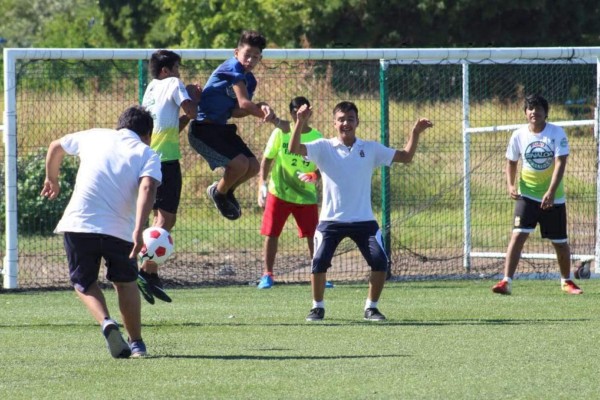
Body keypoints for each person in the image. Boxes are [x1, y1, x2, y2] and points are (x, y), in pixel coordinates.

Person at [288, 102, 433, 321]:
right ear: (334, 122)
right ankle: (317, 307)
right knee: (318, 261)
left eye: (350, 119)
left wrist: (415, 133)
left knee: (380, 261)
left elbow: (405, 157)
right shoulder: (323, 146)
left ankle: (371, 308)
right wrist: (300, 121)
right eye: (341, 119)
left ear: (357, 122)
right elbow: (294, 149)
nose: (346, 123)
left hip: (364, 221)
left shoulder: (371, 148)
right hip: (331, 221)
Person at [41, 106, 162, 358]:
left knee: (84, 282)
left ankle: (106, 322)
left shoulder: (94, 135)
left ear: (120, 125)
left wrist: (52, 178)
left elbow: (55, 146)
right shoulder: (146, 152)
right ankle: (137, 344)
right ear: (148, 134)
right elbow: (148, 187)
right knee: (125, 283)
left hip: (78, 224)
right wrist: (139, 228)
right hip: (120, 230)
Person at [492, 94, 583, 295]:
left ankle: (566, 281)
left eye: (538, 108)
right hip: (527, 196)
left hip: (553, 197)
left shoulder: (556, 133)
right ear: (526, 113)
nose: (534, 112)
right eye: (530, 108)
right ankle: (506, 281)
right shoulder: (518, 135)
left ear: (545, 112)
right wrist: (510, 184)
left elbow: (561, 162)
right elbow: (511, 161)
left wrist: (551, 191)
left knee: (559, 243)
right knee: (517, 236)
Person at [188, 30, 276, 221]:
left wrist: (261, 106)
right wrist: (273, 118)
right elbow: (245, 104)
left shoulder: (250, 80)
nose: (250, 60)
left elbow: (238, 111)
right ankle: (218, 193)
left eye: (256, 57)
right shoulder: (232, 67)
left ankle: (224, 190)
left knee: (252, 167)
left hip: (221, 128)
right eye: (247, 55)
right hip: (203, 130)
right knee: (240, 164)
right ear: (236, 53)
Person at [137, 49, 201, 305]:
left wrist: (185, 114)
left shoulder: (151, 88)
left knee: (157, 219)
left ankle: (150, 273)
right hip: (165, 162)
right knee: (166, 219)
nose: (179, 74)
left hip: (148, 158)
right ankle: (143, 270)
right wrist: (195, 97)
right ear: (166, 71)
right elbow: (194, 112)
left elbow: (174, 125)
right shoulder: (174, 84)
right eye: (176, 69)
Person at [257, 96, 333, 289]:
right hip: (279, 192)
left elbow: (324, 164)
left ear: (311, 112)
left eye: (305, 111)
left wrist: (315, 175)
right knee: (272, 233)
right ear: (292, 113)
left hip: (305, 195)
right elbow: (267, 159)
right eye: (297, 111)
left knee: (313, 235)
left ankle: (318, 273)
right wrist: (262, 185)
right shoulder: (281, 132)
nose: (301, 114)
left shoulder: (317, 136)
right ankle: (268, 275)